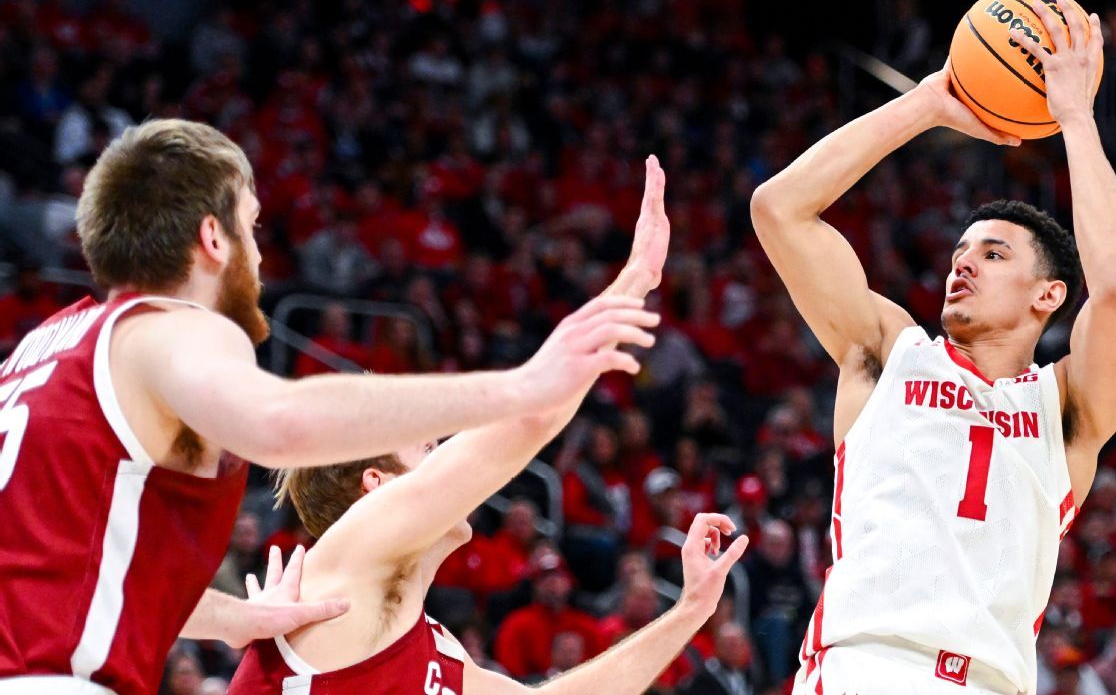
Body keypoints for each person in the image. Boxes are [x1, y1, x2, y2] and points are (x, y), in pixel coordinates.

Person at [0, 119, 657, 695]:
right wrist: (528, 382)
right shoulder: (164, 325)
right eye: (251, 227)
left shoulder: (43, 349)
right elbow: (281, 424)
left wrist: (234, 619)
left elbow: (84, 571)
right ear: (213, 237)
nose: (260, 254)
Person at [229, 157, 750, 695]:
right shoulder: (344, 566)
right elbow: (533, 417)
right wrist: (635, 280)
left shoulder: (431, 643)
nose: (452, 459)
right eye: (430, 451)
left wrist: (689, 611)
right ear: (377, 486)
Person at [752, 0, 1116, 695]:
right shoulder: (888, 351)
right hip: (864, 667)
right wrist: (925, 103)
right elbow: (779, 209)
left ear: (1047, 295)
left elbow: (1114, 290)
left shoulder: (1068, 405)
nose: (963, 263)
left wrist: (1076, 117)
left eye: (993, 254)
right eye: (961, 251)